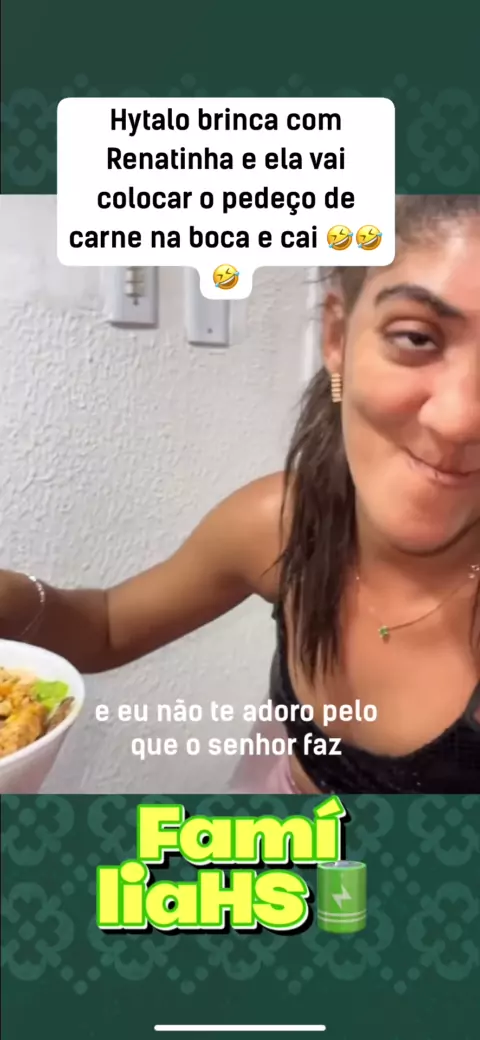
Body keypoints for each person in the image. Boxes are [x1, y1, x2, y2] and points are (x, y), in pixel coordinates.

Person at [2, 194, 480, 794]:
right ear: (337, 335)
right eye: (416, 338)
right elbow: (107, 626)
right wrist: (11, 597)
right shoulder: (284, 525)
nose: (459, 420)